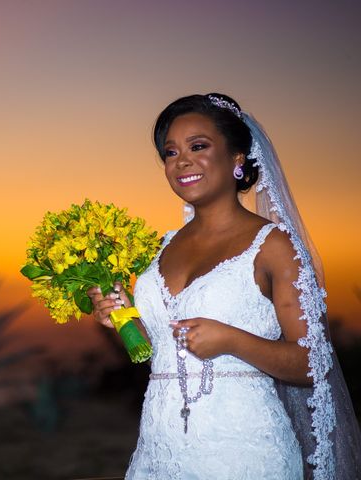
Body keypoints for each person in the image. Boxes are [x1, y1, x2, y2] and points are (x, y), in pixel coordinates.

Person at [87, 93, 361, 479]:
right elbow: (164, 354)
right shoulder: (160, 248)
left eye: (198, 146)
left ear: (237, 158)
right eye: (170, 152)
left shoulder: (274, 245)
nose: (181, 161)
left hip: (244, 450)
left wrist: (233, 340)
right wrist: (123, 317)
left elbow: (312, 364)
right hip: (159, 448)